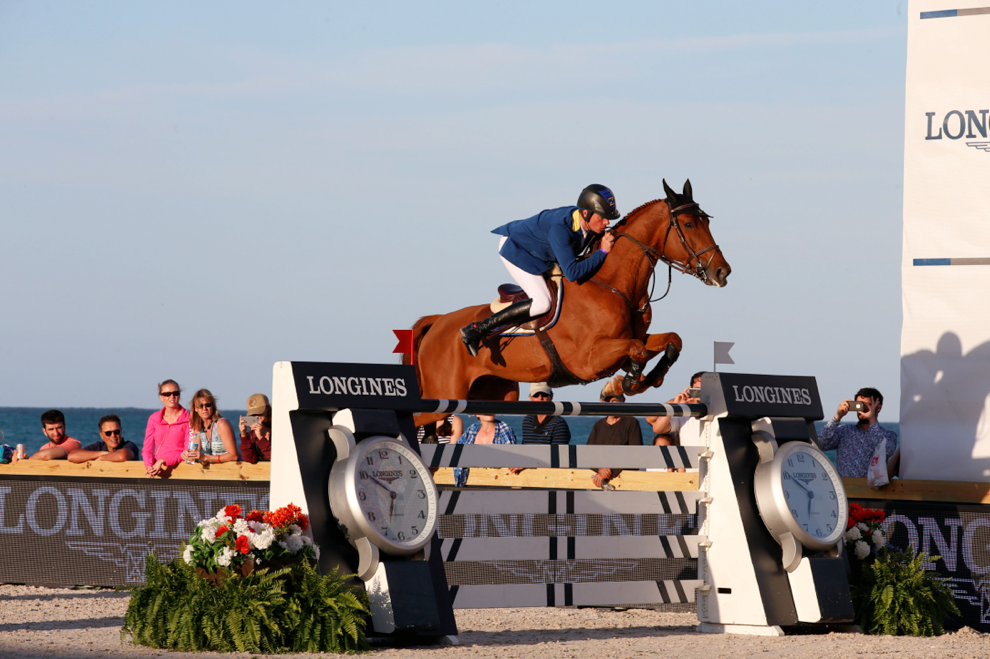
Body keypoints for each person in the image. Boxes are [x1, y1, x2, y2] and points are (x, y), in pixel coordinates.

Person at [460, 184, 621, 357]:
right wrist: (602, 252)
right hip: (517, 249)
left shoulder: (589, 224)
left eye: (608, 218)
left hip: (540, 252)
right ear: (585, 213)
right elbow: (572, 273)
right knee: (542, 303)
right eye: (602, 217)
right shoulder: (561, 229)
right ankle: (478, 328)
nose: (607, 222)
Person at [818, 387, 898, 478]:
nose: (862, 409)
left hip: (871, 486)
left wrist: (872, 421)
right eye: (859, 404)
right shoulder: (844, 431)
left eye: (866, 405)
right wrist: (837, 417)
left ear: (878, 407)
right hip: (844, 486)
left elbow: (886, 451)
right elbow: (820, 444)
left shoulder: (889, 435)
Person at [587, 393, 643, 488]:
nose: (610, 404)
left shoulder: (632, 423)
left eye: (614, 401)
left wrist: (610, 471)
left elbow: (636, 457)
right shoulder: (598, 425)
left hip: (625, 482)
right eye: (607, 401)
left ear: (623, 400)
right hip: (599, 480)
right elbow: (588, 455)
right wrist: (600, 470)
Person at [453, 414, 517, 487]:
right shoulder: (471, 430)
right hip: (469, 484)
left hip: (499, 484)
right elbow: (455, 451)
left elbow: (511, 458)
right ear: (477, 414)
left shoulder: (505, 429)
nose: (489, 411)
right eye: (485, 408)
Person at [143, 379, 190, 477]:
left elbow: (187, 452)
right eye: (167, 394)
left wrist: (163, 461)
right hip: (158, 472)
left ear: (179, 395)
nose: (172, 397)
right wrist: (149, 466)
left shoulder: (189, 419)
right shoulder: (154, 419)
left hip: (182, 471)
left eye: (175, 393)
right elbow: (147, 449)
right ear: (161, 397)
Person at [182, 389, 238, 464]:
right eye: (201, 406)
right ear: (196, 408)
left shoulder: (222, 424)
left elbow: (234, 456)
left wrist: (205, 457)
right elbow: (196, 454)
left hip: (230, 469)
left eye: (208, 405)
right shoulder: (199, 426)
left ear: (213, 406)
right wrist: (187, 454)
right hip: (212, 470)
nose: (205, 408)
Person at [647, 371, 704, 442]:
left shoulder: (718, 410)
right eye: (697, 390)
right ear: (690, 391)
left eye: (705, 389)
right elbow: (657, 429)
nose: (701, 393)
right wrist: (674, 406)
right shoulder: (684, 413)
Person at [69, 414, 139, 463]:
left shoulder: (129, 446)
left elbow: (123, 455)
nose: (113, 435)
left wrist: (100, 459)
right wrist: (101, 453)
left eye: (116, 432)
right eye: (108, 433)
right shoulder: (98, 447)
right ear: (101, 435)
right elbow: (72, 456)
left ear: (121, 431)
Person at [239, 393, 273, 463]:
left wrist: (260, 438)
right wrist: (244, 435)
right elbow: (250, 459)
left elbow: (275, 458)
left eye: (259, 412)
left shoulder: (278, 428)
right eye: (253, 414)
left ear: (268, 409)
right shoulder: (253, 433)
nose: (257, 416)